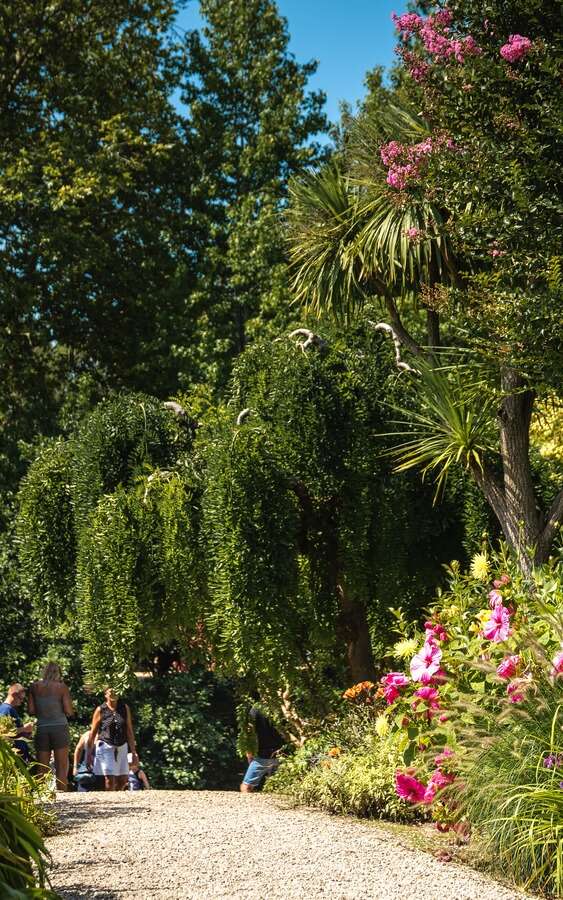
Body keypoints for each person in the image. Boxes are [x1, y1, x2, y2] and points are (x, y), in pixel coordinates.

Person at [28, 662, 74, 791]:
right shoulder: (62, 687)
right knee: (61, 765)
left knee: (42, 766)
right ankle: (62, 795)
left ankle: (40, 796)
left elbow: (31, 710)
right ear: (58, 672)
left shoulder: (34, 687)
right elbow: (68, 710)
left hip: (42, 727)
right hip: (59, 727)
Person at [88, 687, 138, 791]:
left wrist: (133, 752)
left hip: (122, 744)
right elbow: (93, 732)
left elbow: (129, 729)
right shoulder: (100, 709)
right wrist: (89, 752)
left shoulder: (124, 708)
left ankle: (117, 795)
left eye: (116, 692)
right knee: (110, 778)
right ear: (105, 694)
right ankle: (110, 799)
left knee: (123, 778)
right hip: (105, 744)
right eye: (111, 692)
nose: (113, 694)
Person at [240, 705, 285, 793]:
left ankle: (245, 805)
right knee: (281, 787)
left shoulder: (256, 709)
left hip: (263, 754)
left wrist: (249, 752)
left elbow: (249, 731)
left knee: (247, 785)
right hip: (283, 752)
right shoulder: (282, 706)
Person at [0, 683, 33, 761]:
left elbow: (15, 730)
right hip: (14, 757)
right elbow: (4, 733)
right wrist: (24, 728)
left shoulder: (9, 709)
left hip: (20, 755)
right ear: (13, 694)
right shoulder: (6, 709)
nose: (21, 701)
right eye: (20, 698)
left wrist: (26, 733)